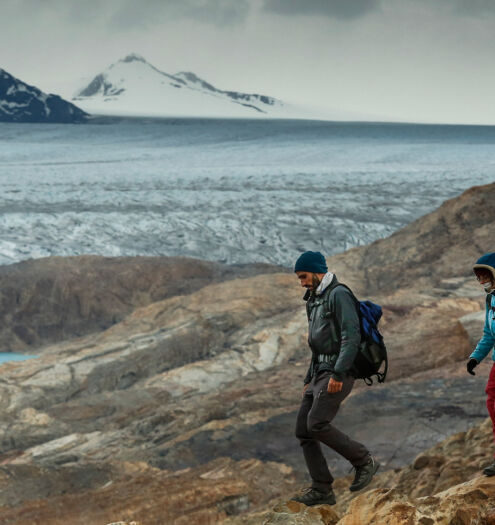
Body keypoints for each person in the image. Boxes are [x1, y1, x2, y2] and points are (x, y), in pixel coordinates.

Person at [291, 251, 379, 506]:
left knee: (317, 423)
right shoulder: (314, 300)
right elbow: (316, 344)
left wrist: (339, 372)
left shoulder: (339, 294)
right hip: (319, 371)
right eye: (299, 278)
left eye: (304, 276)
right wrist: (309, 376)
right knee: (303, 430)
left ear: (318, 271)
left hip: (338, 371)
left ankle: (364, 461)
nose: (302, 282)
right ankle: (322, 489)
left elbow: (350, 337)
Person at [467, 252, 495, 477]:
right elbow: (489, 333)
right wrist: (475, 357)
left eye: (484, 275)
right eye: (479, 277)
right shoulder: (491, 299)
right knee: (492, 399)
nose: (481, 281)